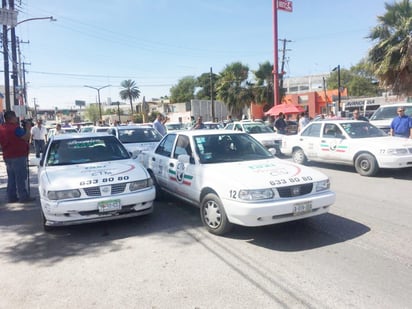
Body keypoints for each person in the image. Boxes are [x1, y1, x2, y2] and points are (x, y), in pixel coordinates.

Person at [0, 111, 35, 203]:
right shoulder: (15, 128)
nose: (17, 119)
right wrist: (28, 128)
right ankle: (23, 196)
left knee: (11, 177)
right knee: (20, 177)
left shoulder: (2, 128)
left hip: (7, 155)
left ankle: (11, 197)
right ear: (11, 118)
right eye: (15, 117)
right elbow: (26, 137)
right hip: (18, 155)